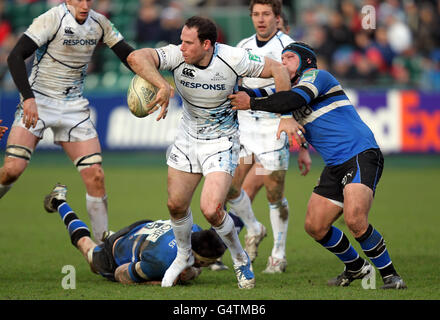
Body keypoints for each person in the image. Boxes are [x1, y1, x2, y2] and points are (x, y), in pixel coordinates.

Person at [126, 16, 291, 289]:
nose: (182, 47)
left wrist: (282, 113)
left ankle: (239, 258)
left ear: (207, 44)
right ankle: (183, 255)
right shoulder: (177, 55)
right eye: (181, 40)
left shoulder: (234, 58)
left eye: (188, 42)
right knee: (175, 205)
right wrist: (162, 84)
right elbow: (136, 57)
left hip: (221, 141)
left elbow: (280, 71)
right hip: (187, 139)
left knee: (212, 209)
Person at [229, 41, 407, 289]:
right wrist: (233, 90)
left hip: (360, 154)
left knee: (355, 220)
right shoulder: (288, 88)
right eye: (281, 59)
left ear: (306, 61)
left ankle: (391, 275)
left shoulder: (317, 77)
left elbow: (286, 101)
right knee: (315, 226)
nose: (282, 63)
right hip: (335, 164)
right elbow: (262, 95)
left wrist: (252, 103)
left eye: (289, 58)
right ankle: (356, 267)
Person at [0, 0, 135, 244]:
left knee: (96, 175)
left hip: (73, 106)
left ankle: (102, 245)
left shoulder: (100, 23)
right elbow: (15, 57)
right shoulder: (52, 18)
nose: (84, 4)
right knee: (11, 171)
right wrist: (28, 98)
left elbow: (128, 55)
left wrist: (157, 80)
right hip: (39, 101)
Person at [227, 0, 311, 274]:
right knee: (230, 188)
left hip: (274, 126)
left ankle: (278, 253)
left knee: (274, 194)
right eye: (256, 14)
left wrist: (303, 145)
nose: (260, 19)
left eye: (266, 14)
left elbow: (296, 94)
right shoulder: (242, 47)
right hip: (243, 125)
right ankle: (254, 227)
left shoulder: (289, 48)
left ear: (278, 17)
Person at [43, 183, 230, 285]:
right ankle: (59, 201)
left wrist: (192, 271)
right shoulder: (161, 261)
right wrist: (156, 280)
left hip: (145, 230)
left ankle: (120, 238)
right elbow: (120, 274)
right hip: (116, 252)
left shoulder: (194, 229)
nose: (207, 267)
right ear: (196, 256)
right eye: (207, 263)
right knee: (87, 247)